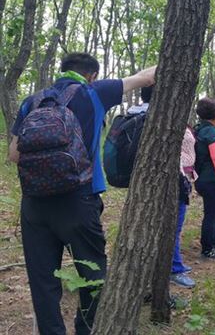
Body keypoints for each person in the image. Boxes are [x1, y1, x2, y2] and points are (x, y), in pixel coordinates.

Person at [8, 52, 156, 335]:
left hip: (35, 205)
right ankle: (85, 329)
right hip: (80, 200)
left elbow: (14, 154)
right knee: (92, 273)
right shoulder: (94, 92)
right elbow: (146, 77)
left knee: (43, 281)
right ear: (92, 74)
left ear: (61, 70)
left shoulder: (33, 101)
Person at [194, 98, 215, 260]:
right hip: (211, 179)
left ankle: (214, 242)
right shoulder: (210, 132)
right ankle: (207, 248)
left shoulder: (201, 129)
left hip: (204, 178)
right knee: (212, 214)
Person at [170, 127, 197, 288]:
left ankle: (176, 262)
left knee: (176, 227)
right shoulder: (169, 121)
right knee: (174, 227)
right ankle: (174, 268)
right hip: (177, 180)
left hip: (183, 178)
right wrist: (183, 181)